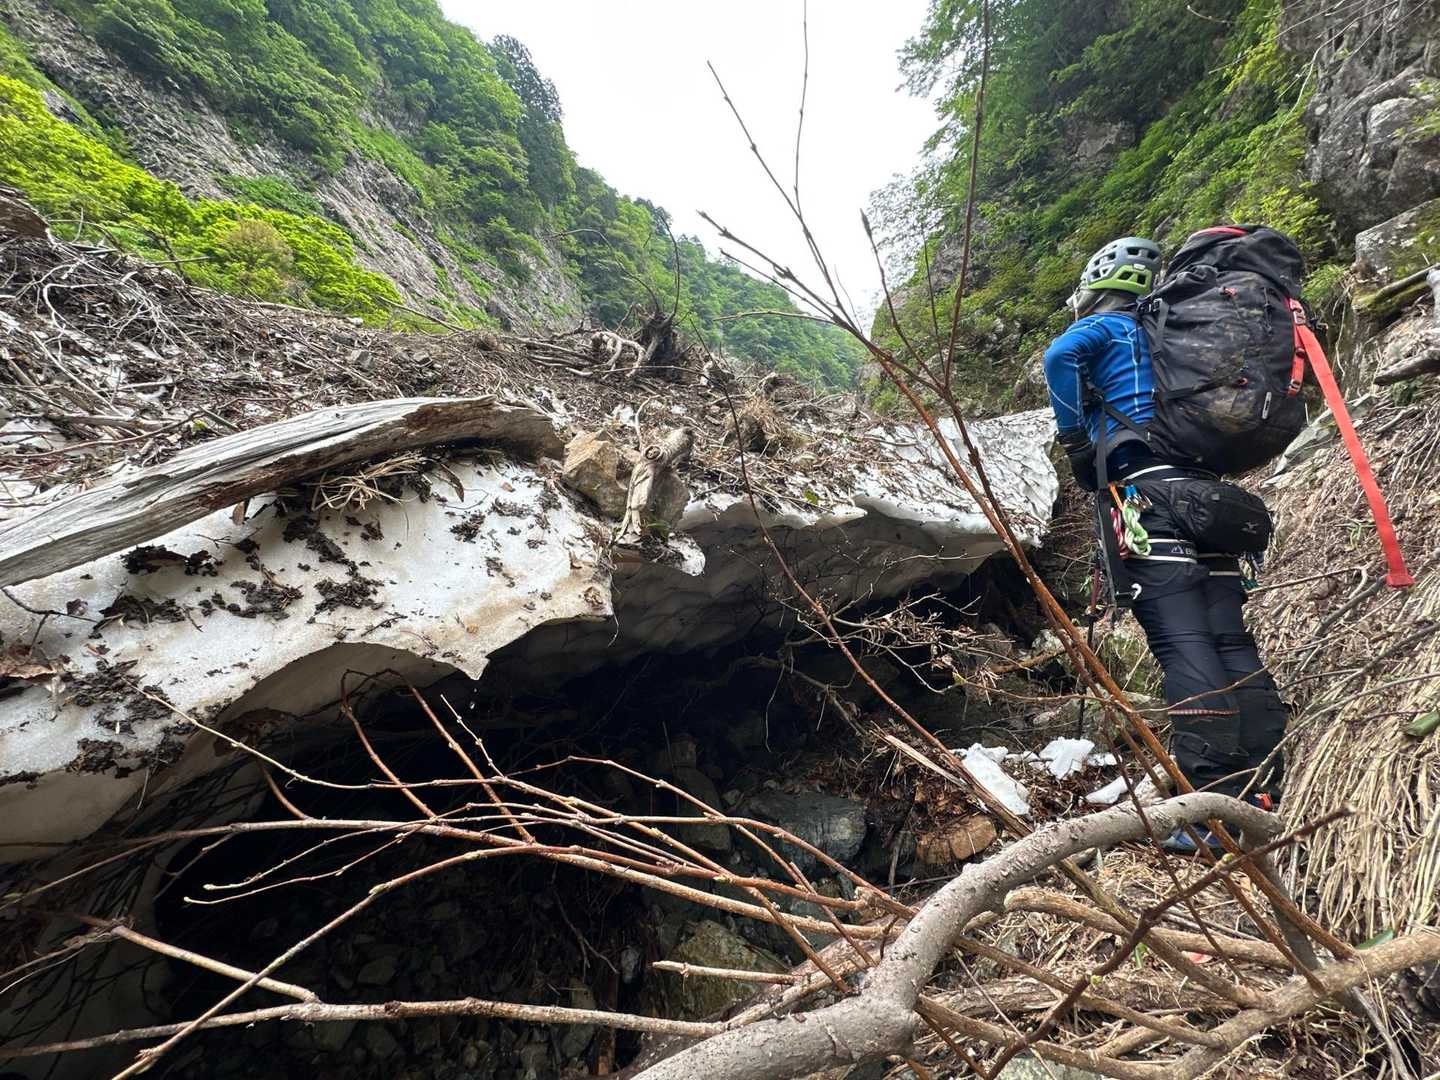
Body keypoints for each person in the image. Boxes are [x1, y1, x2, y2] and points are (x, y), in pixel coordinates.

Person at [1041, 237, 1287, 852]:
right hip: (1207, 502)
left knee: (1183, 643)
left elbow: (1059, 356)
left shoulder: (1108, 326)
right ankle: (1262, 789)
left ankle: (1209, 812)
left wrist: (1076, 442)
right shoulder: (1170, 334)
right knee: (1229, 639)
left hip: (1148, 502)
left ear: (1095, 286)